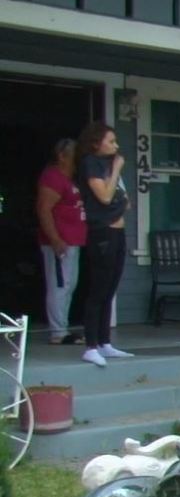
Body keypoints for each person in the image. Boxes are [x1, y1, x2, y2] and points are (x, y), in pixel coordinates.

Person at [76, 122, 132, 367]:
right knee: (98, 288)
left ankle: (105, 342)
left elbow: (125, 202)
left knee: (110, 288)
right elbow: (106, 196)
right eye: (111, 141)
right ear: (96, 143)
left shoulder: (108, 167)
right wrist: (117, 169)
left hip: (118, 232)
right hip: (102, 232)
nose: (116, 146)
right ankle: (90, 345)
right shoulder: (91, 163)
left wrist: (117, 200)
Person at [35, 138, 86, 344]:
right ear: (62, 156)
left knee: (68, 284)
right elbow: (43, 209)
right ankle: (58, 332)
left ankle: (62, 328)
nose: (77, 159)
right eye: (74, 154)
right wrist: (55, 238)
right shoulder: (53, 177)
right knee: (59, 285)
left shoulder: (71, 178)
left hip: (73, 240)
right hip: (59, 242)